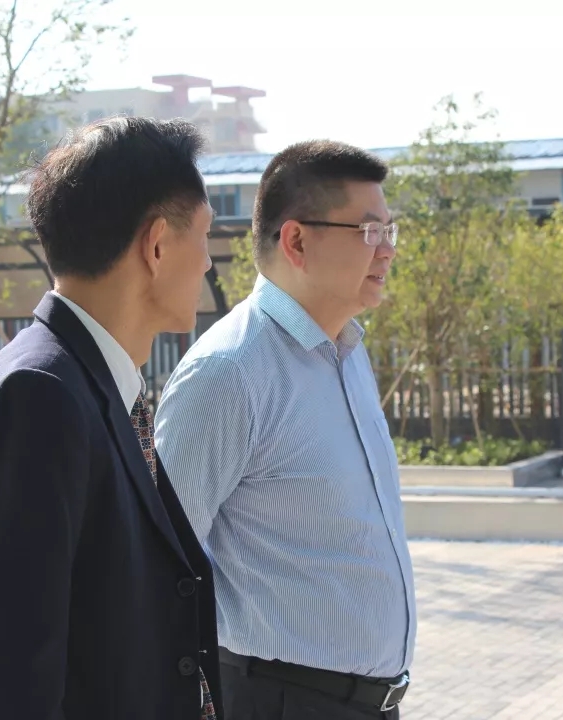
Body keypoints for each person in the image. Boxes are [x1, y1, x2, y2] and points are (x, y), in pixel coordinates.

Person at [0, 117, 224, 720]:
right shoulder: (36, 397)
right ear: (157, 245)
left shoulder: (89, 385)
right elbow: (7, 685)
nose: (209, 263)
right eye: (205, 236)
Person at [155, 140, 416, 720]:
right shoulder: (229, 372)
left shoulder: (348, 352)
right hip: (279, 700)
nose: (388, 250)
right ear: (296, 241)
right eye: (370, 231)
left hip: (371, 704)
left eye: (390, 231)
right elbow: (157, 568)